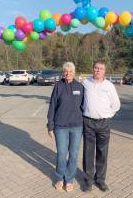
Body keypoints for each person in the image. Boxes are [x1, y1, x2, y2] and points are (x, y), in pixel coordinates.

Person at [82, 61, 121, 192]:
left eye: (101, 68)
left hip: (104, 123)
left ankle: (100, 180)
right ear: (93, 69)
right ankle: (88, 180)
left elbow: (116, 104)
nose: (98, 70)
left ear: (105, 71)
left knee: (102, 152)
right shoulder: (85, 83)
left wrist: (107, 115)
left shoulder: (109, 86)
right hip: (88, 122)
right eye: (96, 68)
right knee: (88, 152)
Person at [47, 62, 84, 192]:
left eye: (71, 71)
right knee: (62, 154)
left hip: (77, 127)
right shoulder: (58, 86)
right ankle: (59, 178)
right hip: (60, 127)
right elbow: (52, 106)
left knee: (73, 154)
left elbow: (84, 107)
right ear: (63, 72)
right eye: (66, 71)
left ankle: (69, 179)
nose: (68, 73)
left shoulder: (80, 87)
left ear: (74, 72)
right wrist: (50, 125)